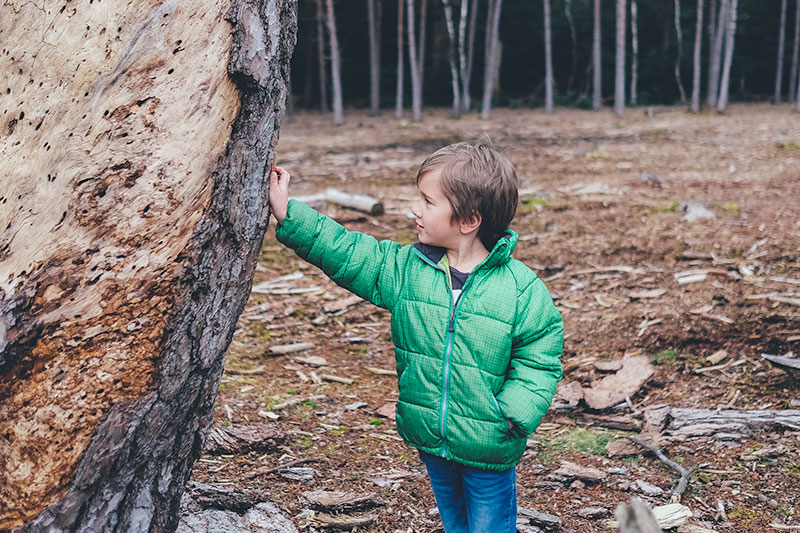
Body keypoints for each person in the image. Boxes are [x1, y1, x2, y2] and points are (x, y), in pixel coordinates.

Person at [269, 142, 563, 533]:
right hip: (431, 436)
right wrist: (291, 213)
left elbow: (541, 355)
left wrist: (512, 411)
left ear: (469, 219)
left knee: (490, 527)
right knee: (455, 523)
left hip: (489, 441)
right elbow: (349, 252)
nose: (415, 210)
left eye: (427, 202)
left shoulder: (520, 289)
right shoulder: (409, 269)